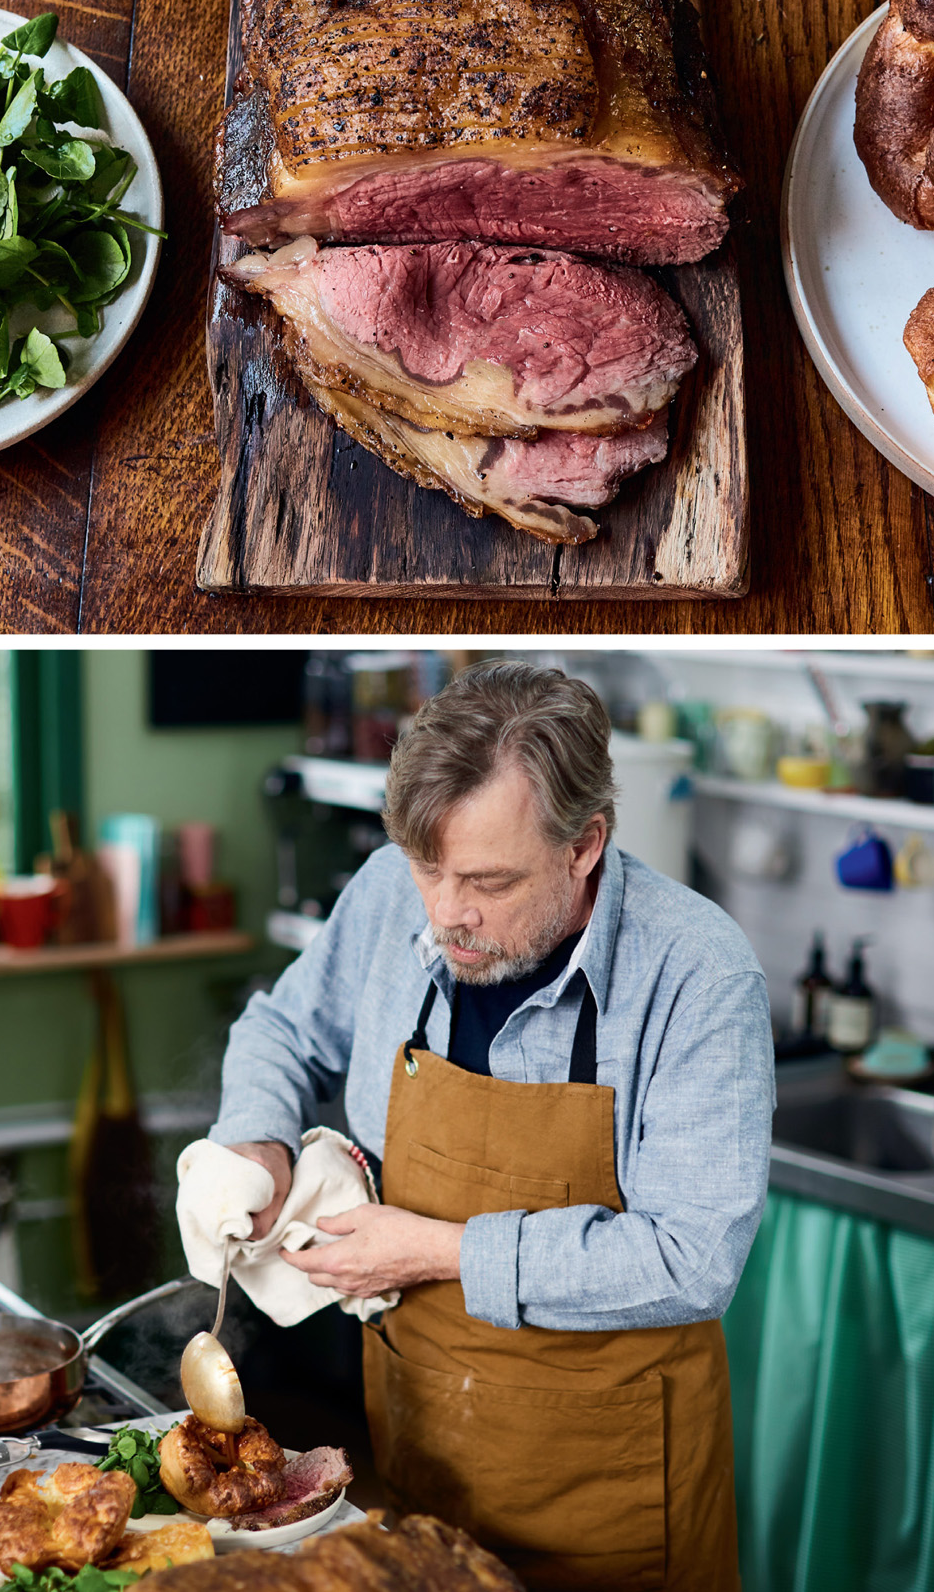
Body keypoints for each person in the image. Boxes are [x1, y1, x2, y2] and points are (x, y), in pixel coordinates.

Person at [210, 661, 774, 1591]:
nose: (444, 913)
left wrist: (434, 1251)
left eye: (487, 882)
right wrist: (256, 1145)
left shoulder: (699, 975)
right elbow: (282, 1026)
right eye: (429, 868)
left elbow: (692, 1258)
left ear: (585, 844)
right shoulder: (397, 891)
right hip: (418, 1460)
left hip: (610, 1506)